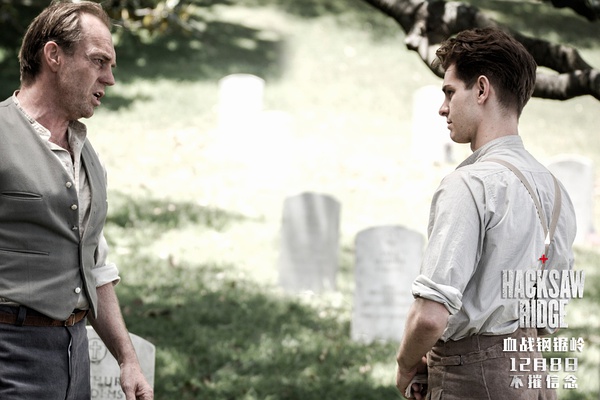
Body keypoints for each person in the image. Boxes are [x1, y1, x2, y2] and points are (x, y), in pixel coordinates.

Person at [395, 27, 577, 399]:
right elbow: (548, 317)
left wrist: (405, 364)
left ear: (481, 90)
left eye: (449, 92)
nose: (443, 108)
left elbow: (430, 315)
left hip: (473, 383)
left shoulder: (469, 185)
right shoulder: (556, 190)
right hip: (534, 380)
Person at [0, 1, 153, 399]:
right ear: (54, 56)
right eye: (99, 61)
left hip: (74, 356)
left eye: (111, 65)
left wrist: (127, 360)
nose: (110, 78)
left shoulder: (86, 156)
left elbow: (93, 265)